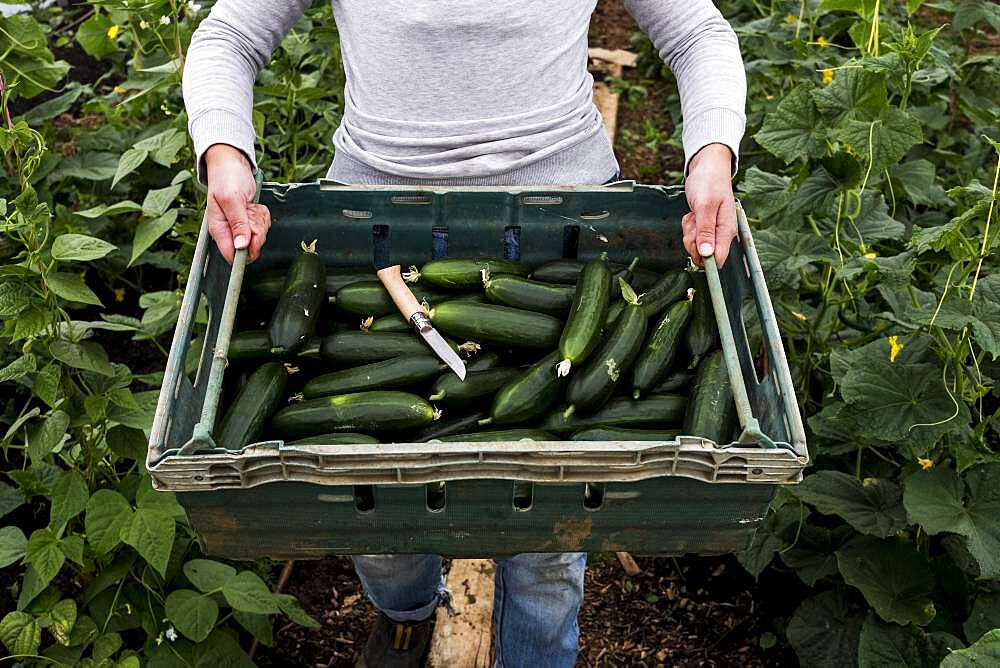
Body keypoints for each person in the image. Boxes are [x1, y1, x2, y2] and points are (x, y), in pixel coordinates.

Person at [183, 1, 745, 665]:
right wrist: (224, 153)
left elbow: (696, 30)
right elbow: (230, 34)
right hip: (377, 226)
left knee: (549, 533)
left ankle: (535, 653)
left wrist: (712, 153)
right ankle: (405, 614)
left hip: (562, 223)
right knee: (380, 512)